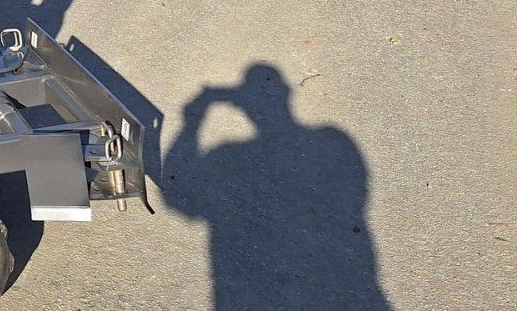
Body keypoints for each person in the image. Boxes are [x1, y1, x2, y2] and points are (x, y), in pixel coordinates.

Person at [165, 64, 392, 310]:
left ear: (243, 107)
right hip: (349, 286)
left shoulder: (228, 156)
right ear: (286, 93)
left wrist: (192, 121)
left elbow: (179, 198)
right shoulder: (335, 141)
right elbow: (355, 198)